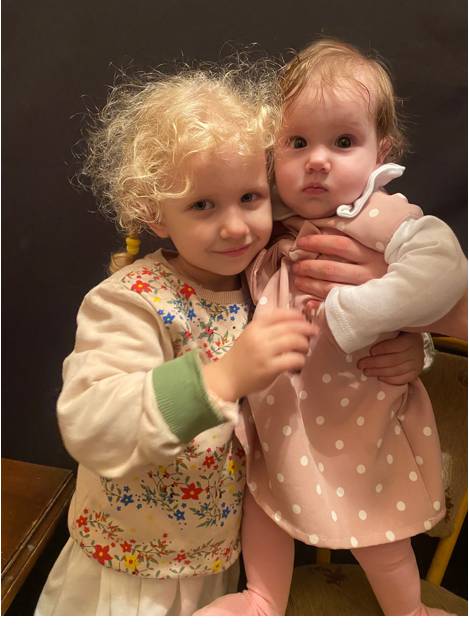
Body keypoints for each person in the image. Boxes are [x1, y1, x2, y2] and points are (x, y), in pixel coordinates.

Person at [35, 61, 431, 617]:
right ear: (155, 214)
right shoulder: (132, 301)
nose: (236, 227)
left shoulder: (268, 273)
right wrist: (220, 379)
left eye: (250, 197)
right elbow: (90, 422)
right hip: (129, 573)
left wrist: (412, 350)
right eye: (202, 205)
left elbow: (342, 332)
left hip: (222, 567)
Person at [195, 39, 467, 617]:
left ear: (380, 151)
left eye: (343, 142)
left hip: (358, 414)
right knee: (265, 507)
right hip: (281, 414)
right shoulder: (267, 220)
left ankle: (408, 610)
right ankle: (263, 596)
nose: (317, 160)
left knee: (376, 527)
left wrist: (366, 312)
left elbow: (443, 271)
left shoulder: (381, 216)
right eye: (297, 143)